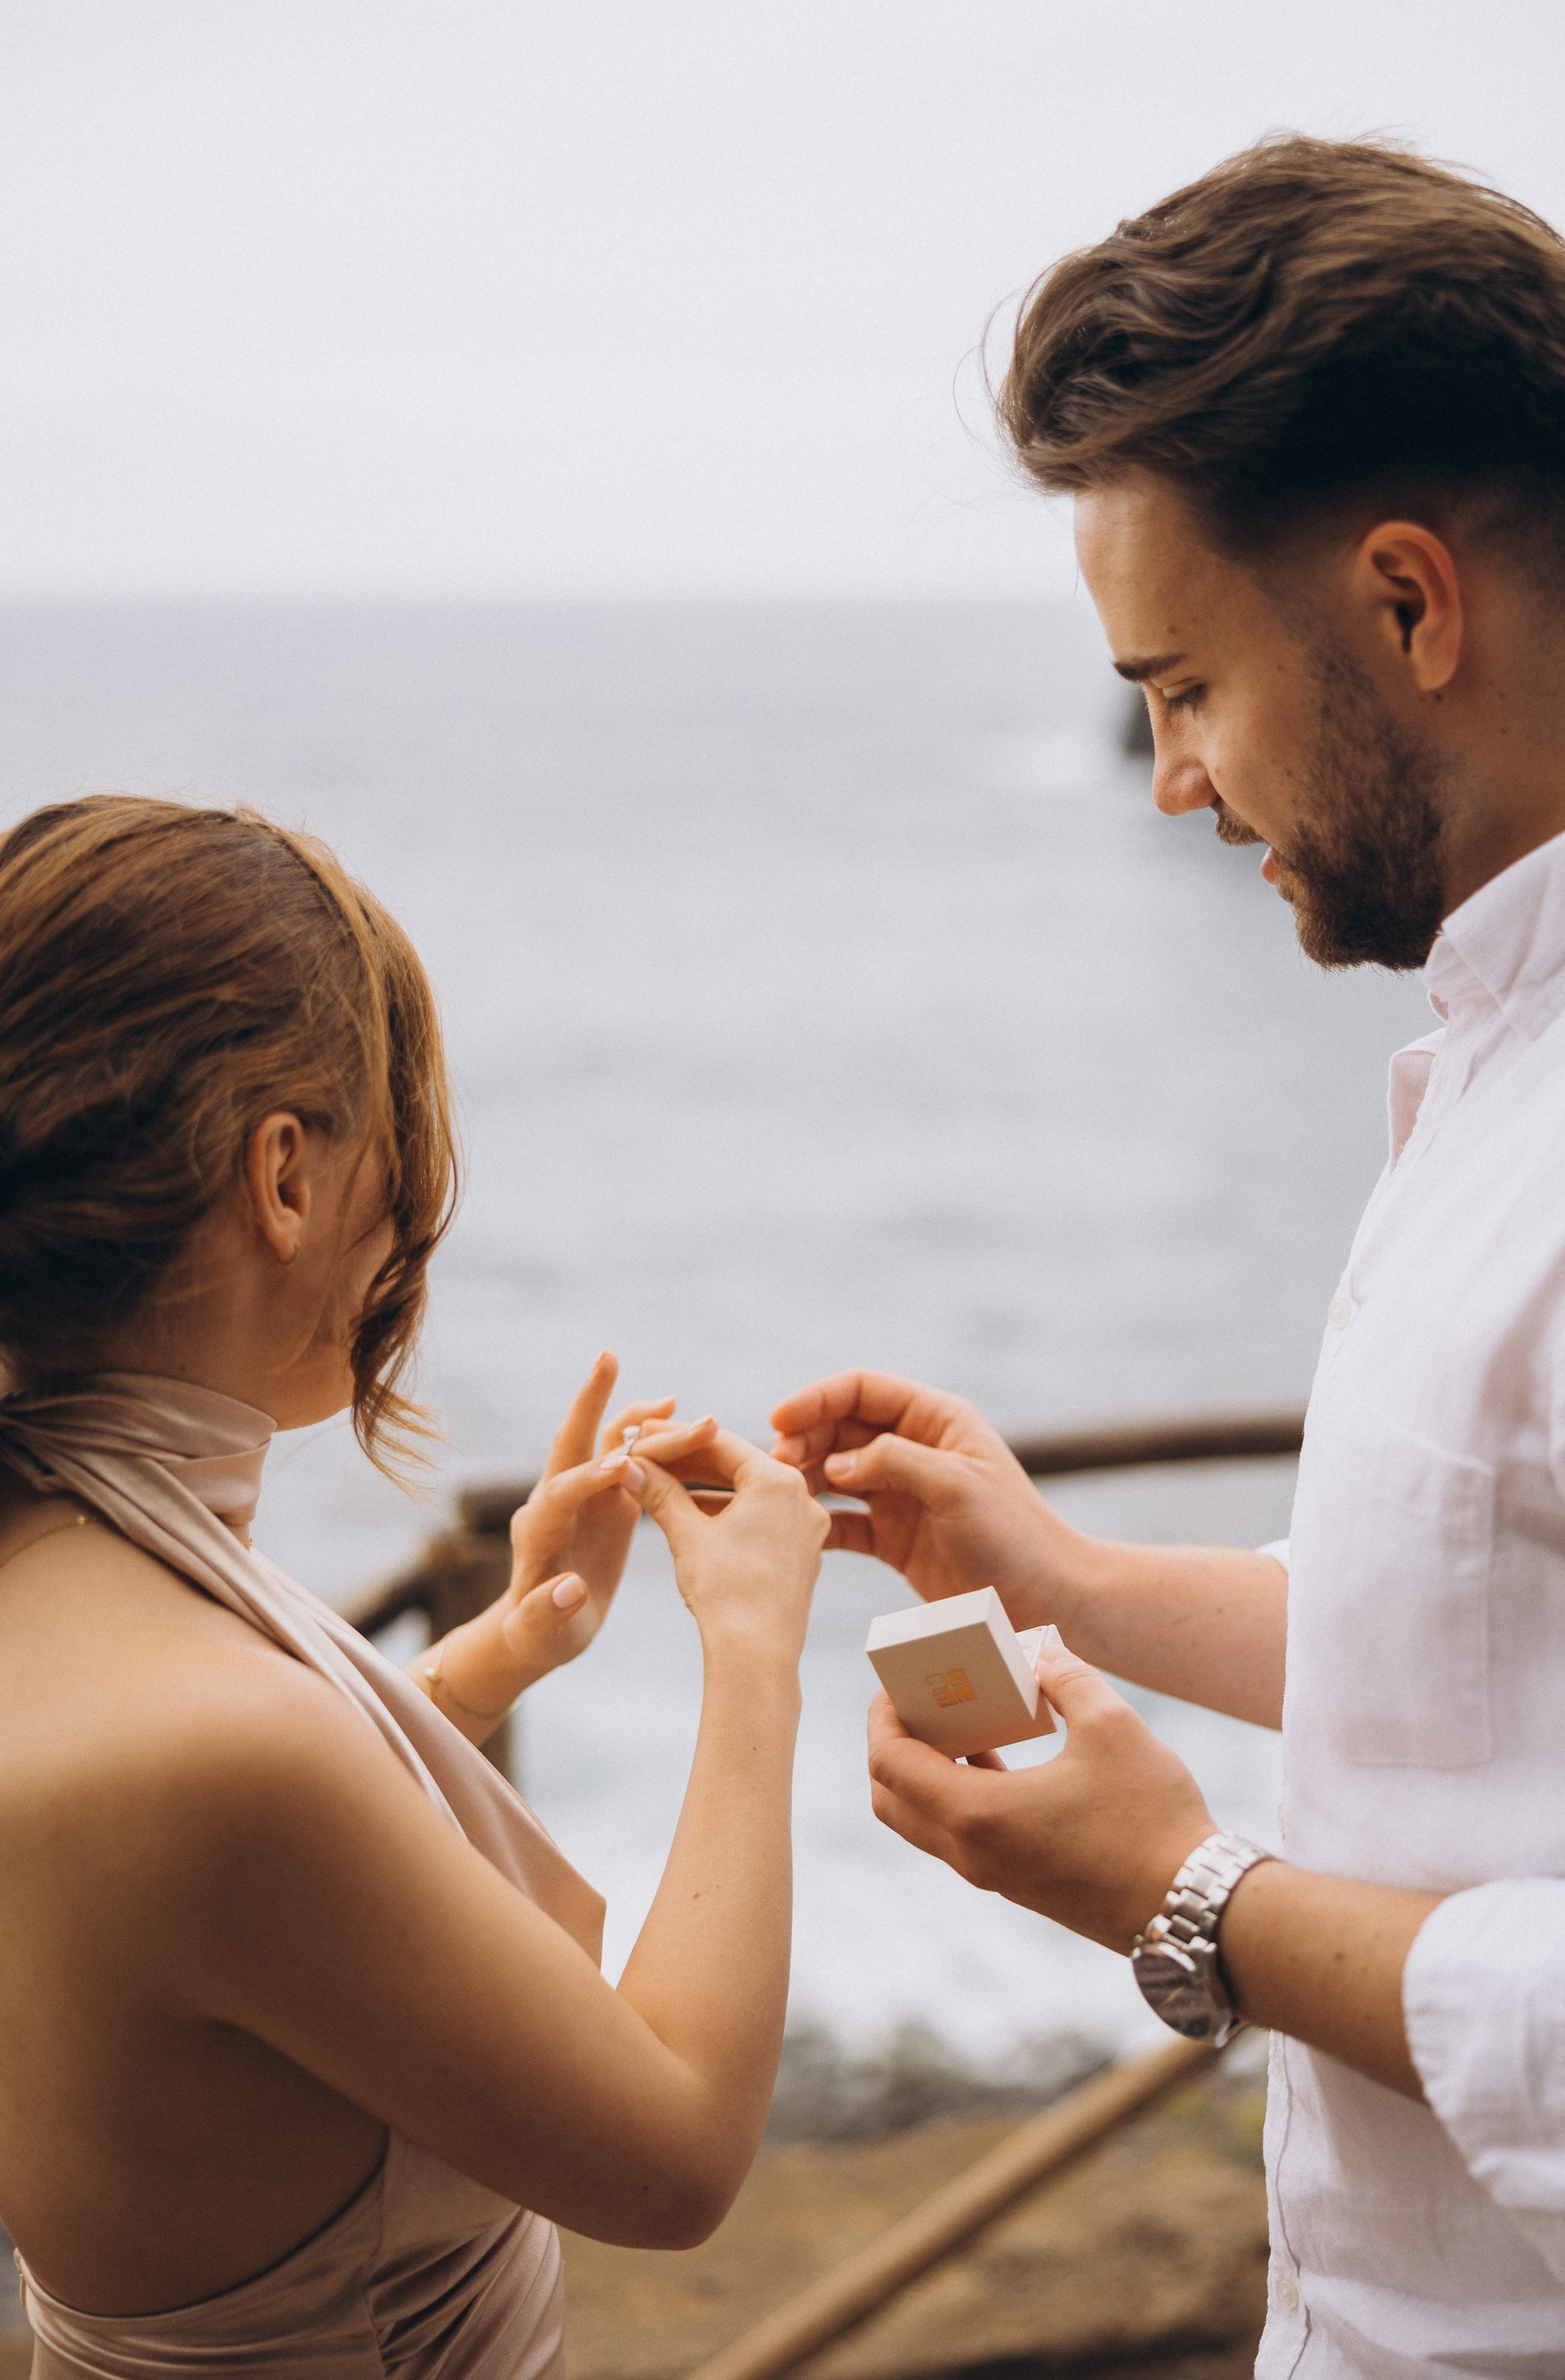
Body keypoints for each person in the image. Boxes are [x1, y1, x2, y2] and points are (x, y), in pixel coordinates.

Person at [773, 136, 1565, 2376]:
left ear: (1408, 607)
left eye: (1180, 687)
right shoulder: (1492, 1054)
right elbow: (1499, 1644)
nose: (1164, 783)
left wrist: (1186, 1896)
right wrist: (1072, 1587)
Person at [0, 793, 828, 2378]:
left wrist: (482, 1669)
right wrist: (756, 1650)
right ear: (285, 1177)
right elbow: (674, 2153)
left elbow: (177, 1907)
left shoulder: (59, 1564)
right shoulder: (216, 1748)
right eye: (392, 1121)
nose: (410, 1215)